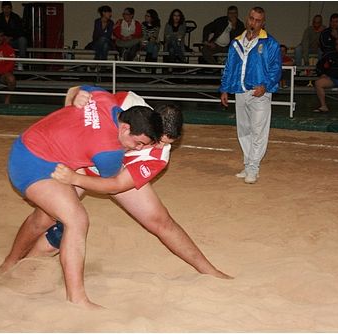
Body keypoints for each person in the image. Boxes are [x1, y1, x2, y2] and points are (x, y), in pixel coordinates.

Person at [24, 87, 232, 286]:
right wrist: (75, 98)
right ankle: (14, 261)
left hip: (111, 174)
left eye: (168, 143)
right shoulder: (127, 103)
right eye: (159, 140)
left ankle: (208, 270)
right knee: (43, 217)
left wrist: (74, 180)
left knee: (161, 221)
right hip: (80, 161)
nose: (161, 146)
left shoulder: (159, 155)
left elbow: (116, 185)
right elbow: (81, 106)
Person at [0, 86, 163, 308]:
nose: (136, 149)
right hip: (34, 166)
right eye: (137, 143)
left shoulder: (105, 99)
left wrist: (73, 98)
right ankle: (77, 298)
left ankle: (8, 265)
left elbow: (78, 89)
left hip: (27, 146)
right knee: (77, 220)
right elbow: (109, 184)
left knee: (45, 217)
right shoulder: (109, 151)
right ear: (124, 128)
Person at [219, 7, 281, 184]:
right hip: (240, 90)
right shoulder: (236, 43)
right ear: (247, 19)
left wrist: (266, 86)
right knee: (244, 130)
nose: (254, 23)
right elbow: (229, 67)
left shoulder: (270, 43)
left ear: (263, 23)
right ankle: (248, 165)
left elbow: (276, 69)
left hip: (260, 93)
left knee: (258, 131)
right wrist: (224, 89)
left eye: (258, 20)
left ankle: (254, 167)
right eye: (252, 19)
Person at [0, 1, 27, 71]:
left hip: (14, 40)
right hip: (2, 39)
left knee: (22, 40)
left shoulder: (16, 17)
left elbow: (20, 31)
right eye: (4, 8)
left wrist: (11, 37)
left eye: (8, 8)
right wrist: (4, 37)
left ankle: (21, 62)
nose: (6, 10)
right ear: (2, 9)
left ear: (11, 9)